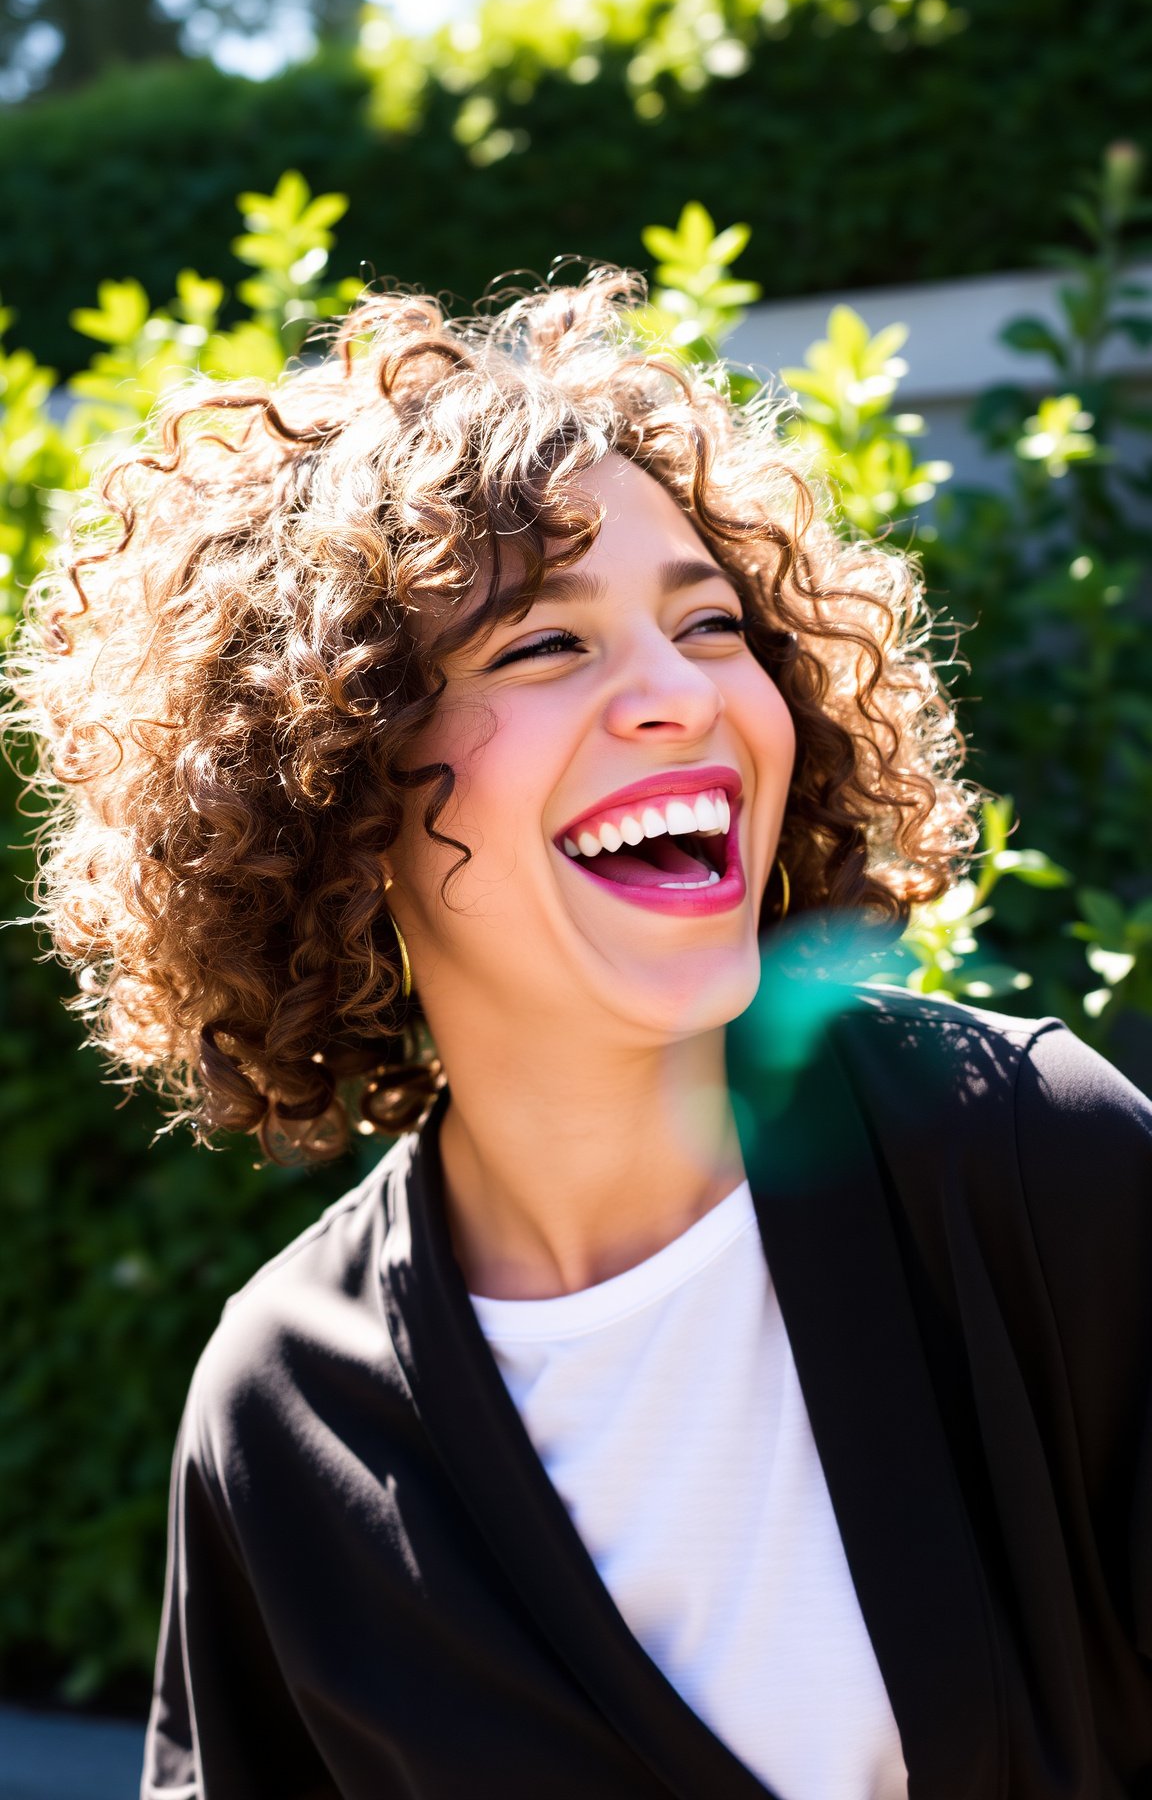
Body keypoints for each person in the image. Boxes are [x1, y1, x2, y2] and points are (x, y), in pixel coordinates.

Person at [9, 269, 1152, 1800]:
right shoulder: (288, 1411)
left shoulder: (1020, 1157)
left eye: (713, 624)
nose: (679, 696)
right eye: (544, 647)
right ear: (336, 794)